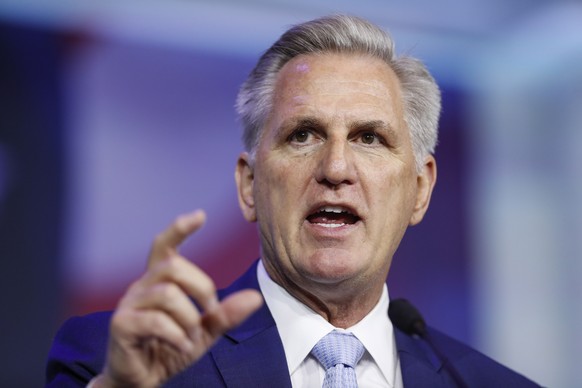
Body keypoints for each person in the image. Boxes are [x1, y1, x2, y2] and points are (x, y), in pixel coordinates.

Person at [46, 15, 540, 387]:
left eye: (369, 138)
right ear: (249, 184)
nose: (336, 169)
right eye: (303, 135)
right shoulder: (115, 359)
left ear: (420, 189)